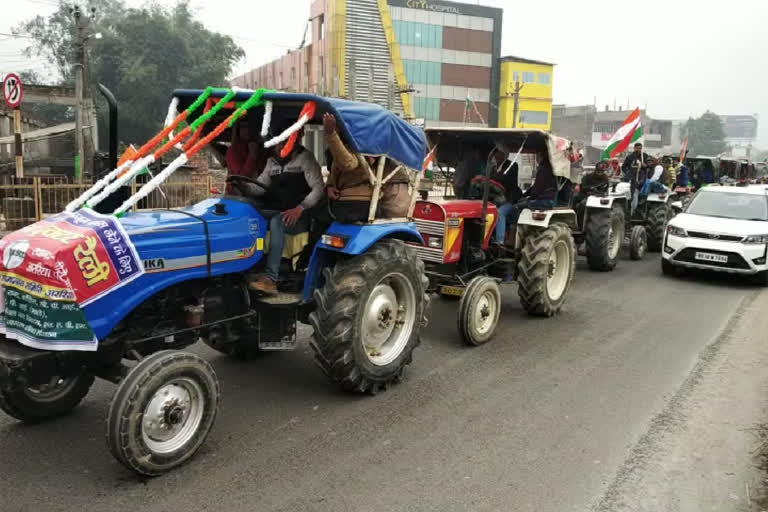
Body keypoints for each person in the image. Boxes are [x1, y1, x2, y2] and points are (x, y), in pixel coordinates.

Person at [239, 130, 324, 294]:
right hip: (279, 210)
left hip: (302, 214)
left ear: (295, 140)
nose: (280, 147)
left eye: (284, 142)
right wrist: (244, 186)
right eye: (278, 142)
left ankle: (271, 278)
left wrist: (300, 208)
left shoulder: (305, 158)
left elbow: (319, 189)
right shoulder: (272, 162)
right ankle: (247, 265)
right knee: (250, 215)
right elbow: (259, 188)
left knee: (277, 220)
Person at [320, 113, 373, 223]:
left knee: (316, 214)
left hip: (355, 203)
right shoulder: (341, 147)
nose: (337, 129)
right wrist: (329, 185)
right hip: (347, 198)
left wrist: (331, 134)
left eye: (338, 126)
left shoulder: (359, 147)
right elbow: (335, 171)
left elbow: (348, 164)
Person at [495, 152, 556, 244]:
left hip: (513, 198)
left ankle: (501, 241)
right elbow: (534, 189)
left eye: (538, 156)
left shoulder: (511, 166)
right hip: (497, 197)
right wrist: (526, 196)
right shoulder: (491, 166)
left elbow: (536, 191)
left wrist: (527, 198)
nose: (536, 159)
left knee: (504, 212)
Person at [225, 118, 269, 194]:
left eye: (251, 127)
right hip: (237, 195)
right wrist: (252, 156)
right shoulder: (233, 150)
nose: (247, 130)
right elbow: (241, 179)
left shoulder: (264, 150)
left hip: (260, 195)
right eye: (243, 127)